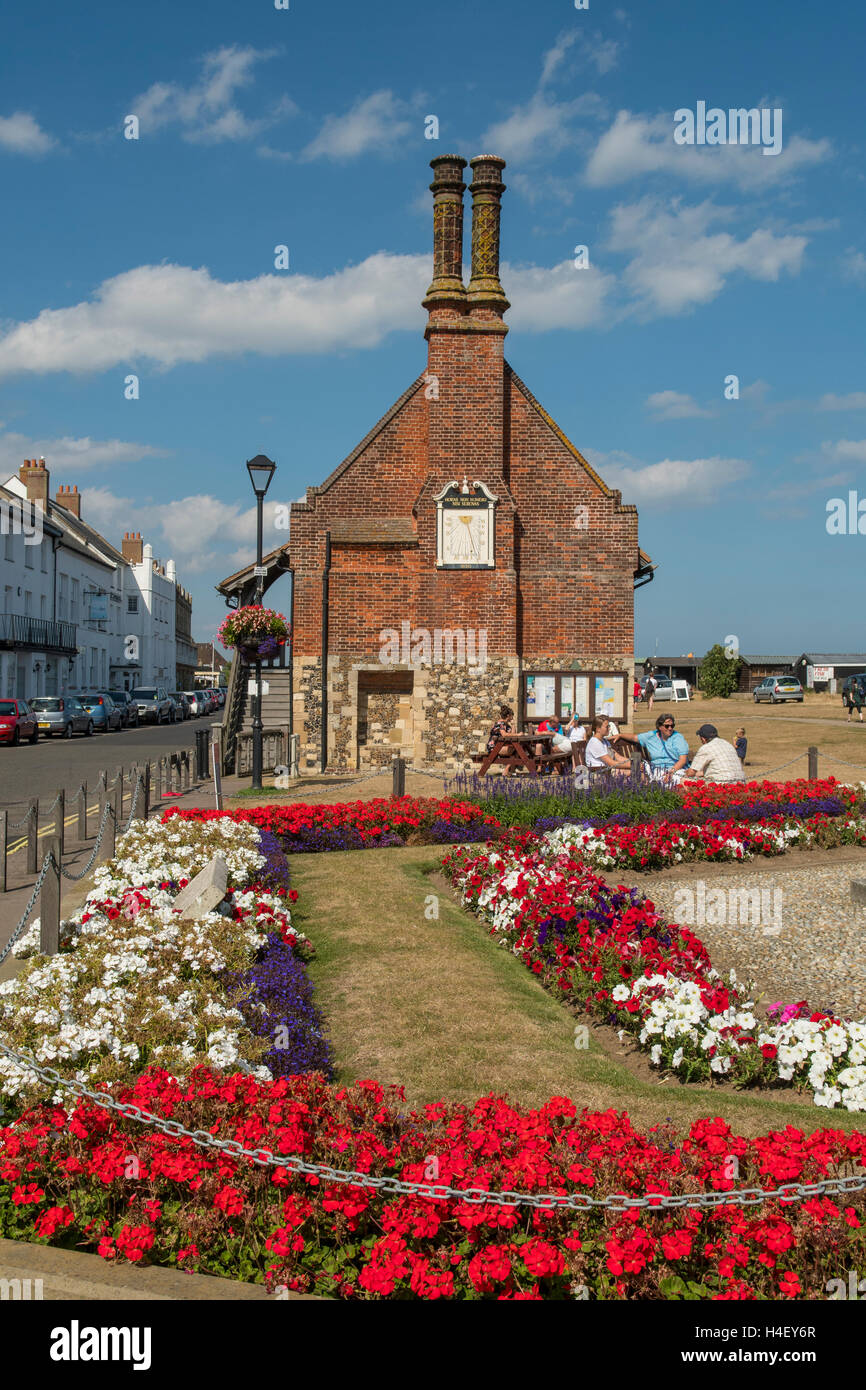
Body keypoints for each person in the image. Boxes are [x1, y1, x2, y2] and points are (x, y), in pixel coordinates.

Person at [619, 713, 689, 782]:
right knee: (639, 769)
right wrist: (620, 735)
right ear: (660, 727)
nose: (670, 728)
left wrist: (671, 772)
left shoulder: (678, 737)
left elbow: (683, 760)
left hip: (675, 768)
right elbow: (634, 738)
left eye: (672, 726)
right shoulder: (651, 736)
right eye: (667, 726)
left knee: (676, 780)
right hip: (656, 768)